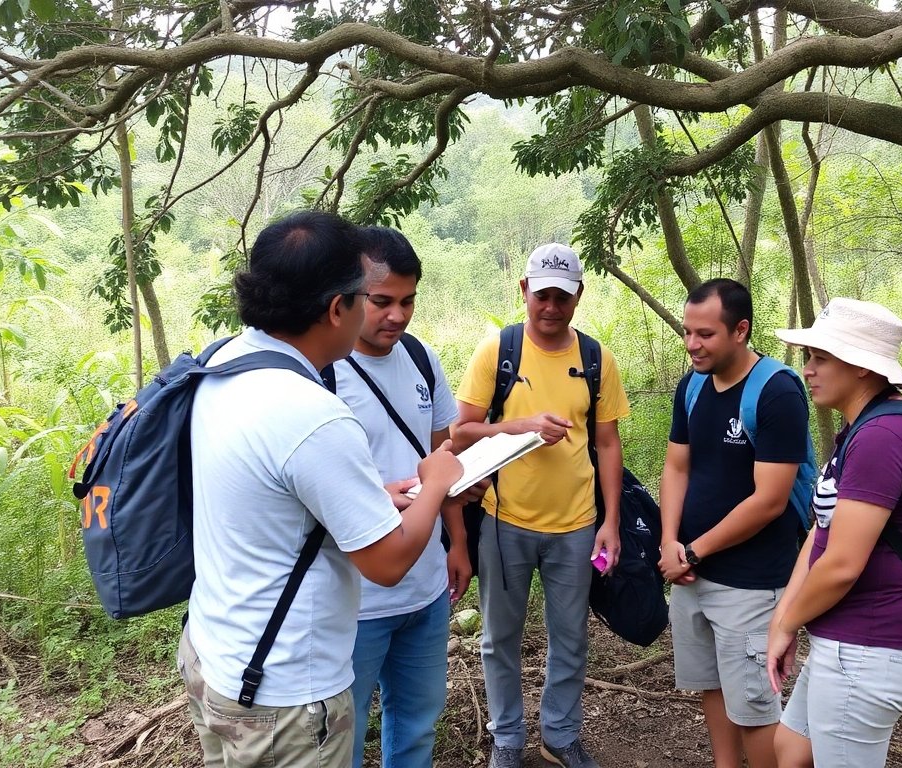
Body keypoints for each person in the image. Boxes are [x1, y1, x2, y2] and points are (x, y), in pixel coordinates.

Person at [177, 211, 463, 768]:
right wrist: (436, 483)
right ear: (339, 309)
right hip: (285, 692)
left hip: (219, 657)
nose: (388, 314)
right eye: (367, 298)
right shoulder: (312, 414)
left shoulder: (222, 363)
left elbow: (281, 499)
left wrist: (379, 495)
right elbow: (385, 562)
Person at [453, 243, 631, 768]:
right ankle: (507, 739)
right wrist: (520, 425)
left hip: (576, 525)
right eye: (542, 295)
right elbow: (461, 432)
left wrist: (611, 523)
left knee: (571, 636)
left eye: (563, 296)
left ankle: (559, 735)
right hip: (504, 520)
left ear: (578, 297)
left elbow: (607, 444)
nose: (551, 307)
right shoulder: (498, 351)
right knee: (499, 637)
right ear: (524, 291)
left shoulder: (595, 358)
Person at [766, 298, 902, 768]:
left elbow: (843, 565)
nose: (808, 370)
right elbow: (821, 533)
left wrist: (788, 625)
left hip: (872, 647)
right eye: (809, 357)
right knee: (791, 752)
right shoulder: (862, 428)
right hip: (849, 643)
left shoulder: (883, 438)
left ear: (863, 368)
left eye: (821, 358)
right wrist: (782, 618)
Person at [326, 227, 470, 768]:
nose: (398, 316)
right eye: (382, 302)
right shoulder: (322, 373)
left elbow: (441, 457)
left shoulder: (420, 357)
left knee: (416, 725)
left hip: (426, 589)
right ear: (347, 297)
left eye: (408, 301)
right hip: (355, 598)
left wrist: (457, 541)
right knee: (345, 735)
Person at [657, 278, 810, 768]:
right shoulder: (693, 386)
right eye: (687, 332)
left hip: (751, 580)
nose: (691, 345)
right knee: (711, 685)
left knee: (755, 706)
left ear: (740, 330)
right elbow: (677, 466)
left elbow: (770, 499)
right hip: (690, 572)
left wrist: (694, 549)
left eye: (705, 334)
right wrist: (668, 544)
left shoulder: (777, 391)